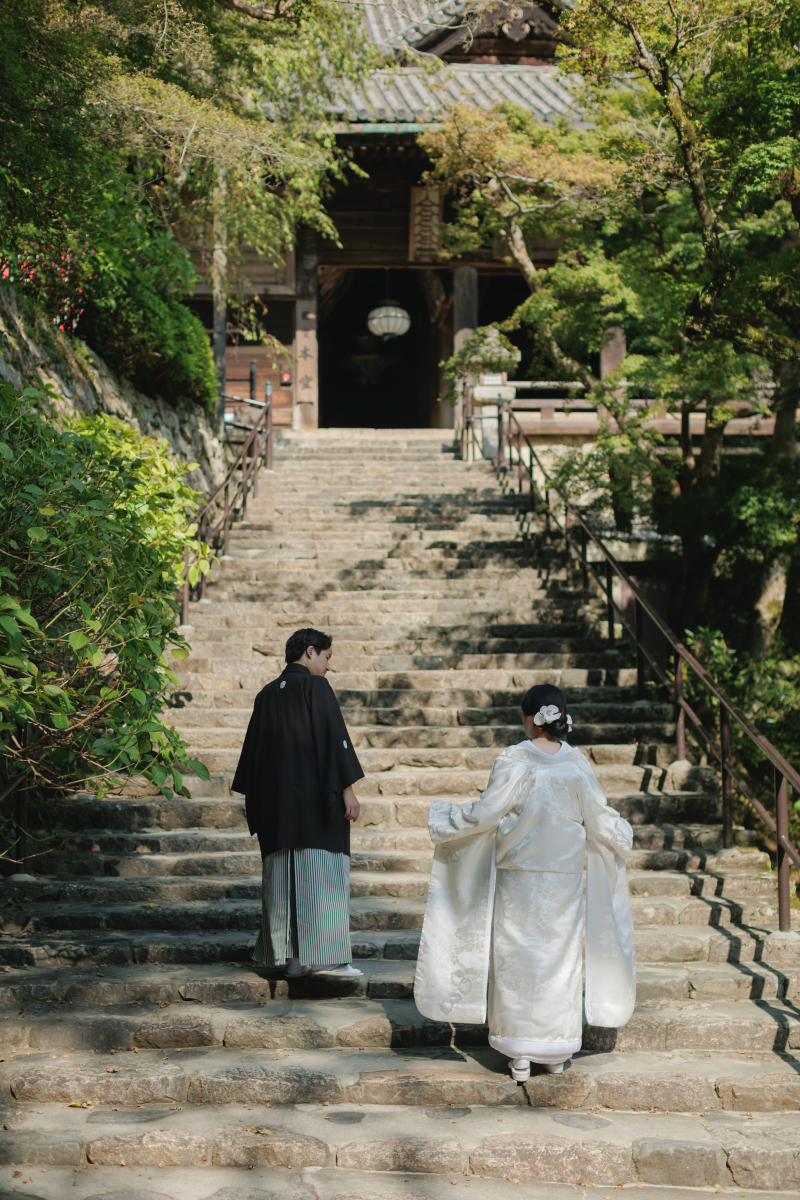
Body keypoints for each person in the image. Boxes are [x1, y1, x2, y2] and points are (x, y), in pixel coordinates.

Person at [413, 683, 636, 1081]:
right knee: (559, 959)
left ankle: (517, 1051)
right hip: (562, 882)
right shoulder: (578, 765)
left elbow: (486, 812)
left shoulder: (514, 760)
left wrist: (445, 818)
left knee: (517, 957)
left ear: (532, 720)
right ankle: (555, 1048)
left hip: (518, 878)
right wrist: (624, 835)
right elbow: (600, 819)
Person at [231, 627, 365, 979]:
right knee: (321, 871)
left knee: (283, 878)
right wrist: (347, 789)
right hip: (314, 805)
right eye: (327, 658)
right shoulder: (314, 686)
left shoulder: (265, 695)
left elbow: (251, 760)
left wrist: (260, 810)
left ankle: (289, 959)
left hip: (276, 810)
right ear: (310, 652)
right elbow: (332, 738)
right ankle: (325, 959)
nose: (328, 667)